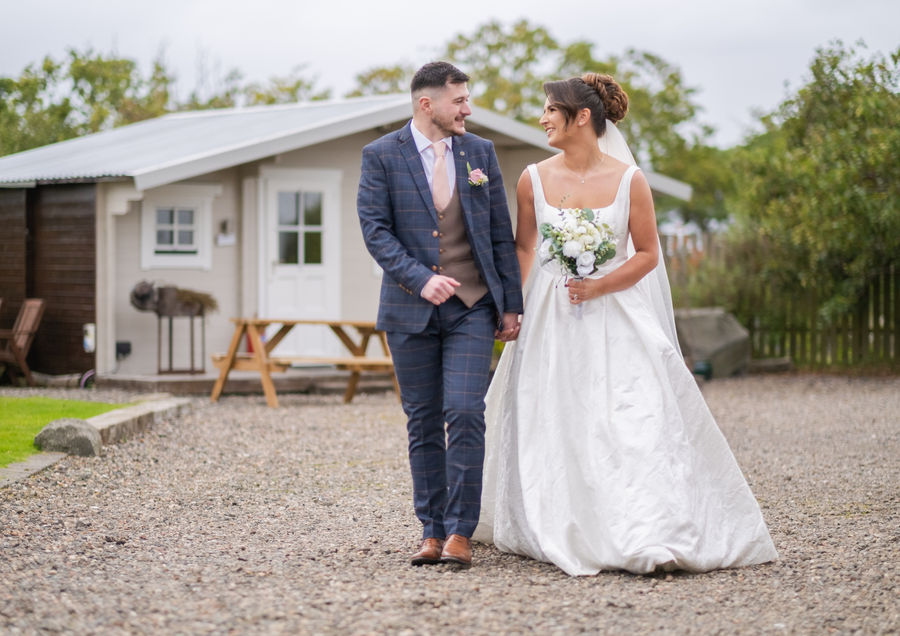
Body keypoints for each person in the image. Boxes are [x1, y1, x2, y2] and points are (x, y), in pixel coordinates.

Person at [473, 73, 778, 575]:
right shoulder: (532, 177)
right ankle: (564, 515)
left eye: (551, 108)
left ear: (583, 116)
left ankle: (646, 525)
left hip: (616, 314)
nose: (543, 117)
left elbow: (648, 254)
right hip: (551, 315)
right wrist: (512, 305)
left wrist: (600, 285)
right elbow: (525, 246)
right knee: (557, 413)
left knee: (633, 415)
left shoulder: (630, 180)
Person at [357, 62, 523, 568]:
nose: (467, 109)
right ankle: (430, 530)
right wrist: (419, 277)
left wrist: (512, 303)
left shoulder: (481, 153)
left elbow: (499, 232)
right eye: (459, 100)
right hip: (409, 310)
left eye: (467, 99)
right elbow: (375, 229)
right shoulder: (382, 155)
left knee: (466, 411)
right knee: (423, 420)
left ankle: (460, 532)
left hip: (472, 307)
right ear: (427, 104)